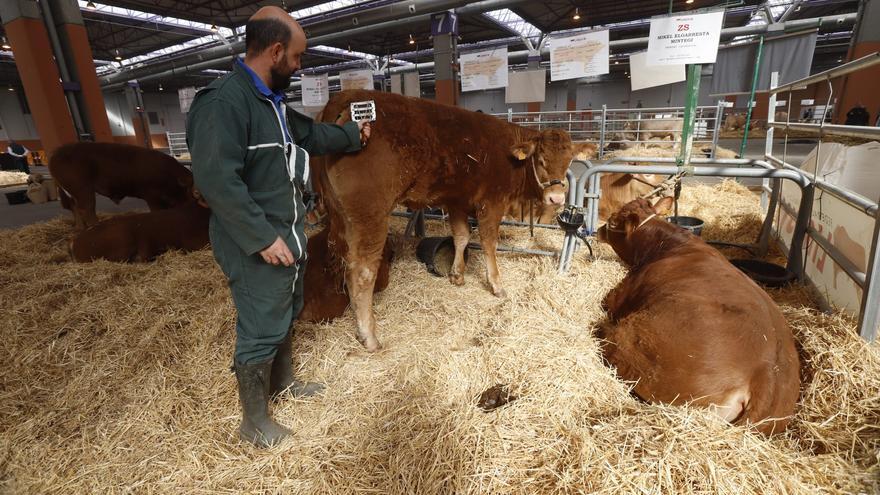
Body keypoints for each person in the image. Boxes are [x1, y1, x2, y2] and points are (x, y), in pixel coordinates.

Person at [186, 6, 371, 448]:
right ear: (274, 51)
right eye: (297, 57)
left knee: (285, 310)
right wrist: (262, 237)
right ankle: (254, 423)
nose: (299, 65)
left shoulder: (270, 103)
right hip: (254, 239)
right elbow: (216, 181)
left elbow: (307, 134)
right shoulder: (223, 103)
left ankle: (283, 383)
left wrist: (351, 136)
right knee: (261, 323)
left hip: (284, 231)